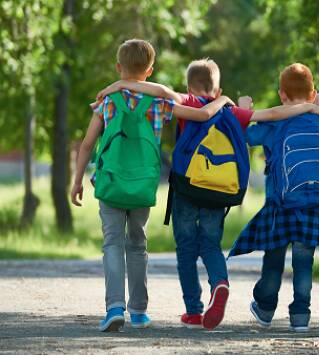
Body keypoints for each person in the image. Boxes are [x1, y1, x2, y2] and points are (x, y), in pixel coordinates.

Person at [94, 58, 319, 330]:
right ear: (217, 91)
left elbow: (158, 91)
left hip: (187, 187)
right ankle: (219, 282)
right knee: (210, 243)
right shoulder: (230, 111)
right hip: (219, 190)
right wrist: (310, 107)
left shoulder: (187, 104)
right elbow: (273, 114)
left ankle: (193, 311)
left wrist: (116, 85)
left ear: (188, 86)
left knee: (185, 248)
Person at [70, 39, 234, 332]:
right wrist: (222, 100)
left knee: (112, 243)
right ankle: (139, 311)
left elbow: (86, 145)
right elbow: (202, 114)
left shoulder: (106, 102)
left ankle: (114, 307)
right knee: (137, 244)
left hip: (111, 183)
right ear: (150, 70)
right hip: (143, 186)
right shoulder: (159, 104)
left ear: (119, 67)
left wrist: (77, 180)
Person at [229, 63, 319, 332]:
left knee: (273, 261)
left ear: (281, 95)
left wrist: (245, 107)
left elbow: (242, 136)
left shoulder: (273, 122)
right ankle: (301, 316)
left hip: (280, 204)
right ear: (313, 94)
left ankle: (265, 308)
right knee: (303, 261)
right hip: (316, 204)